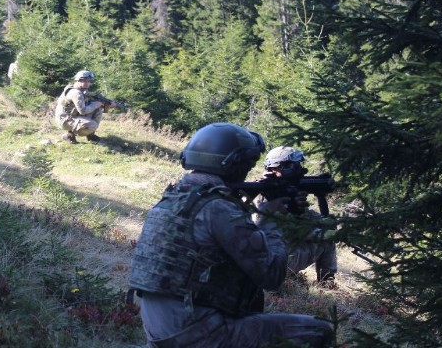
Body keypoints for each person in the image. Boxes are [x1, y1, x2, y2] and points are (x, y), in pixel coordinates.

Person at [128, 123, 333, 348]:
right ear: (234, 165)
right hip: (197, 335)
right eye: (247, 164)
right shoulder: (219, 208)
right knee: (319, 330)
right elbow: (271, 276)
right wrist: (272, 220)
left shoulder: (173, 199)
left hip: (162, 334)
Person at [260, 146, 338, 288]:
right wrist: (326, 233)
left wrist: (325, 219)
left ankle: (326, 281)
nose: (298, 169)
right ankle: (327, 282)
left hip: (276, 257)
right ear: (276, 168)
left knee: (327, 229)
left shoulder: (278, 188)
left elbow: (305, 216)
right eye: (293, 166)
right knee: (327, 239)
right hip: (276, 260)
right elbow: (291, 229)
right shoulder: (269, 193)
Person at [54, 70, 115, 143]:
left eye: (89, 81)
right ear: (78, 80)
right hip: (64, 120)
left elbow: (88, 104)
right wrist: (95, 104)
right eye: (83, 80)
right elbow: (82, 111)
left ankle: (90, 135)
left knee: (98, 110)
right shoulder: (76, 93)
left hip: (70, 116)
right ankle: (70, 135)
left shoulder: (82, 91)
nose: (87, 83)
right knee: (92, 125)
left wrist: (105, 105)